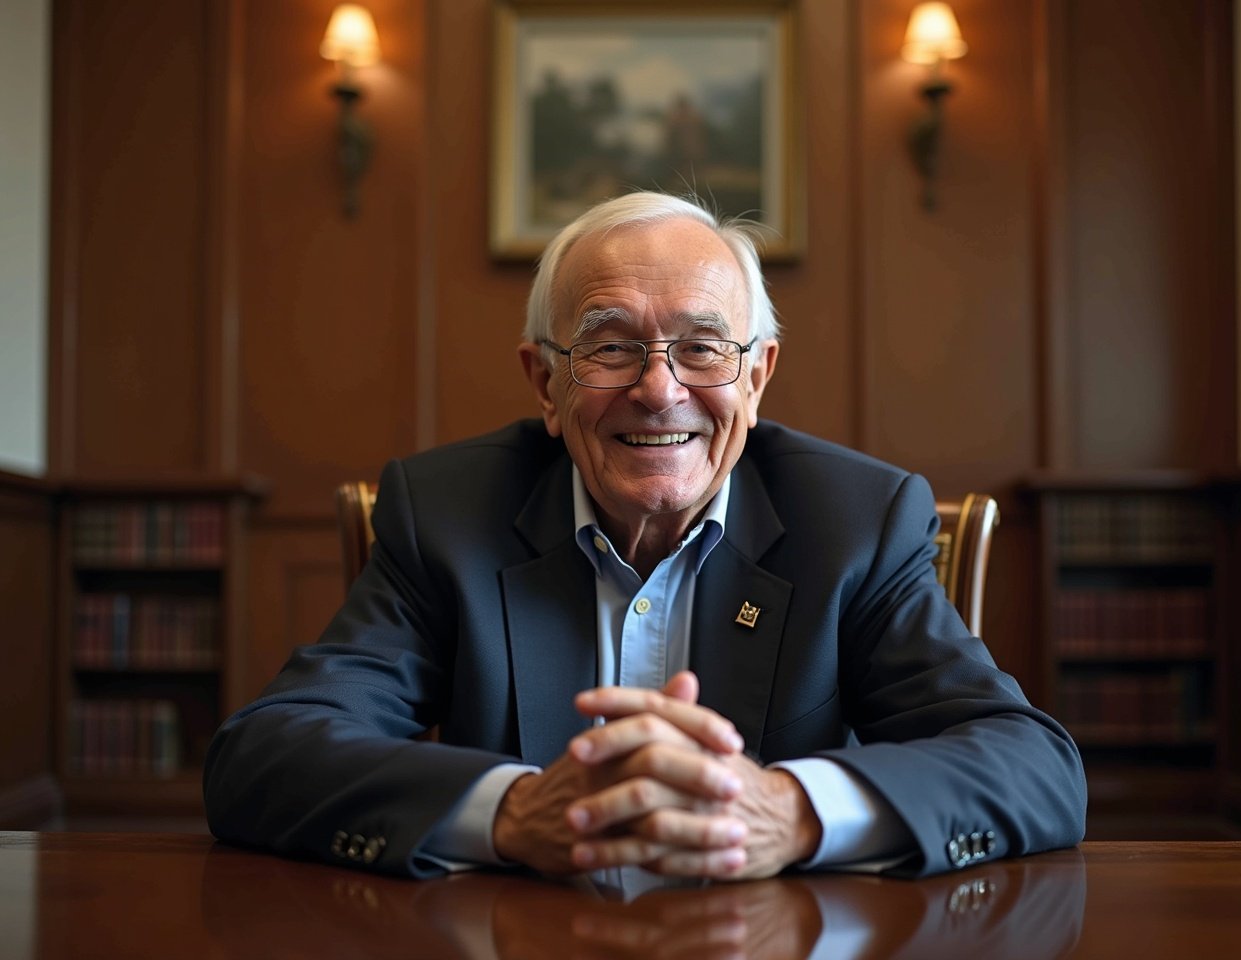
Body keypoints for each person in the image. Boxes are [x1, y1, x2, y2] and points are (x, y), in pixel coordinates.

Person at [204, 192, 1086, 882]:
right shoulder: (445, 514)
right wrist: (514, 813)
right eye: (610, 347)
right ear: (544, 384)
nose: (660, 390)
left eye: (703, 348)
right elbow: (266, 754)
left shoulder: (857, 521)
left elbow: (1032, 765)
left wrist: (792, 811)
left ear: (756, 376)